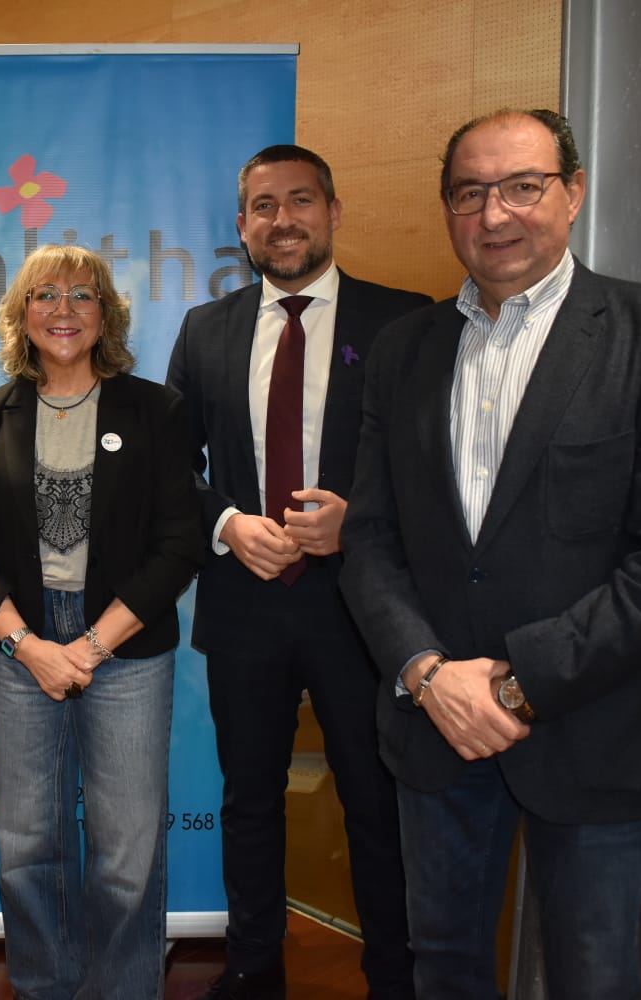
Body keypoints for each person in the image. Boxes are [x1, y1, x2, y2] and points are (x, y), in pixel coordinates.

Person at [338, 108, 641, 998]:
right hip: (436, 729)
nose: (495, 215)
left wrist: (516, 687)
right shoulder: (404, 350)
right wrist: (428, 675)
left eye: (523, 187)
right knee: (442, 971)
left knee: (596, 978)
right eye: (470, 193)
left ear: (574, 192)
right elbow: (369, 537)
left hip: (599, 734)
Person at [165, 144, 429, 1000]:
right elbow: (171, 468)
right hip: (245, 603)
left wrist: (360, 520)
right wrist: (226, 524)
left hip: (366, 607)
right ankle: (254, 966)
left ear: (334, 211)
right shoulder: (205, 330)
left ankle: (393, 976)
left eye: (301, 201)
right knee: (249, 799)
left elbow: (435, 466)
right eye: (264, 206)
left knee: (375, 801)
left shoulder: (405, 322)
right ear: (242, 226)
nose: (283, 220)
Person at [0, 244, 200, 999]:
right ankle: (45, 986)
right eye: (45, 295)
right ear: (21, 314)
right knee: (27, 841)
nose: (63, 310)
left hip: (126, 643)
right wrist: (27, 645)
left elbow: (179, 542)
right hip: (18, 645)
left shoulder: (155, 410)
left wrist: (88, 646)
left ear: (106, 314)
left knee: (126, 847)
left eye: (82, 295)